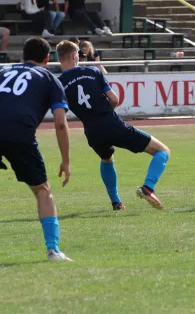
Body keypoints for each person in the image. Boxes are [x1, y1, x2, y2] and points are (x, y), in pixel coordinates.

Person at [56, 40, 170, 210]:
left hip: (91, 131)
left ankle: (116, 202)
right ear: (74, 56)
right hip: (111, 123)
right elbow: (115, 99)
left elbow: (59, 113)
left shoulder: (58, 84)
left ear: (59, 59)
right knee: (162, 151)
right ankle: (148, 187)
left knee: (107, 158)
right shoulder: (92, 71)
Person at [0, 37, 72, 261]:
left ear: (22, 55)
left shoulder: (3, 72)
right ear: (47, 58)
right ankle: (53, 250)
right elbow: (60, 122)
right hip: (19, 133)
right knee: (42, 190)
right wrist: (66, 160)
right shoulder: (50, 79)